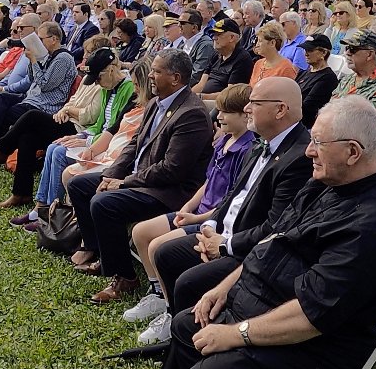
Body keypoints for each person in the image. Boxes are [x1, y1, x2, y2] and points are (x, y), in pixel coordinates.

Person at [125, 97, 376, 369]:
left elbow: (313, 315)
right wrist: (223, 288)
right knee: (187, 323)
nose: (308, 150)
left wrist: (236, 334)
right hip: (270, 304)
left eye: (318, 143)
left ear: (352, 152)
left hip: (320, 345)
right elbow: (274, 239)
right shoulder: (326, 182)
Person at [132, 79, 309, 346]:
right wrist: (209, 227)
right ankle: (175, 319)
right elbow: (233, 194)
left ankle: (192, 334)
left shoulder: (298, 157)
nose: (248, 108)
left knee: (189, 280)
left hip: (250, 250)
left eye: (255, 103)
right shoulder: (263, 143)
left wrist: (224, 245)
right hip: (223, 234)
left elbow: (275, 227)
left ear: (280, 110)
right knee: (164, 252)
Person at [66, 49, 215, 305]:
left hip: (168, 191)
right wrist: (111, 175)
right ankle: (98, 251)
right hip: (142, 178)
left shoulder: (191, 114)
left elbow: (171, 170)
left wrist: (123, 182)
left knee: (104, 204)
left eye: (157, 72)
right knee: (80, 184)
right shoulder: (157, 102)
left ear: (176, 78)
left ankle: (124, 277)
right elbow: (134, 144)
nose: (151, 77)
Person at [0, 47, 138, 209]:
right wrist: (74, 121)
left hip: (89, 134)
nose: (95, 82)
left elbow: (104, 123)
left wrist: (82, 134)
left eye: (98, 78)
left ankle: (2, 150)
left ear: (110, 70)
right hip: (83, 130)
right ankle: (25, 196)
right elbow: (97, 121)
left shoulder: (127, 88)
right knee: (27, 136)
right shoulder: (107, 87)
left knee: (33, 118)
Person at [0, 21, 77, 149]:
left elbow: (45, 85)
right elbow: (31, 78)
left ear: (54, 39)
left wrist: (34, 61)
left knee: (6, 112)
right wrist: (33, 60)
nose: (39, 42)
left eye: (41, 39)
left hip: (44, 105)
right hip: (31, 99)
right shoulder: (49, 56)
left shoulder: (63, 58)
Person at [333, 29, 376, 126]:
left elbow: (370, 130)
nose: (347, 53)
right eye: (347, 48)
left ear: (369, 55)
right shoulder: (347, 79)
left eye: (353, 49)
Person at [192, 18, 252, 101]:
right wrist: (188, 96)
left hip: (223, 103)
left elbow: (230, 94)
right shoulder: (216, 54)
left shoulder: (242, 58)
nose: (214, 38)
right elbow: (201, 84)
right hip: (204, 100)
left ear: (232, 37)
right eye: (213, 34)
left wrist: (202, 97)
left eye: (218, 34)